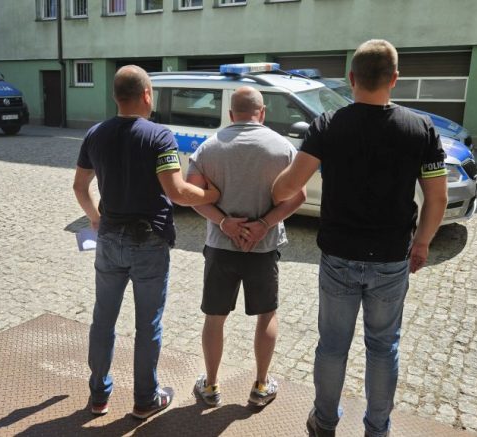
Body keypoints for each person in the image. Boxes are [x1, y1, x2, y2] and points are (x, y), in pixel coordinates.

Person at [272, 40, 449, 437]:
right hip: (391, 258)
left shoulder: (327, 125)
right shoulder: (420, 128)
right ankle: (377, 429)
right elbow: (437, 198)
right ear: (395, 79)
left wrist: (273, 184)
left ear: (351, 78)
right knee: (383, 347)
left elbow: (288, 188)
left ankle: (324, 422)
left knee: (332, 345)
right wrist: (422, 243)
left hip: (339, 256)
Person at [73, 65, 220, 420]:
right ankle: (144, 399)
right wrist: (211, 194)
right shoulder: (159, 136)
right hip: (148, 242)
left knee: (103, 319)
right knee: (148, 324)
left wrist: (95, 217)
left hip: (109, 239)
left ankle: (98, 396)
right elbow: (177, 192)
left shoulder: (95, 134)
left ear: (115, 96)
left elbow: (80, 186)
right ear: (146, 95)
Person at [186, 86, 305, 408]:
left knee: (215, 317)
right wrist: (264, 223)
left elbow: (192, 195)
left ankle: (211, 386)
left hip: (220, 246)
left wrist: (224, 222)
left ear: (230, 114)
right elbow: (298, 197)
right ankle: (262, 385)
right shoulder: (283, 148)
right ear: (262, 113)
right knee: (266, 315)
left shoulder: (208, 148)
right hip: (263, 248)